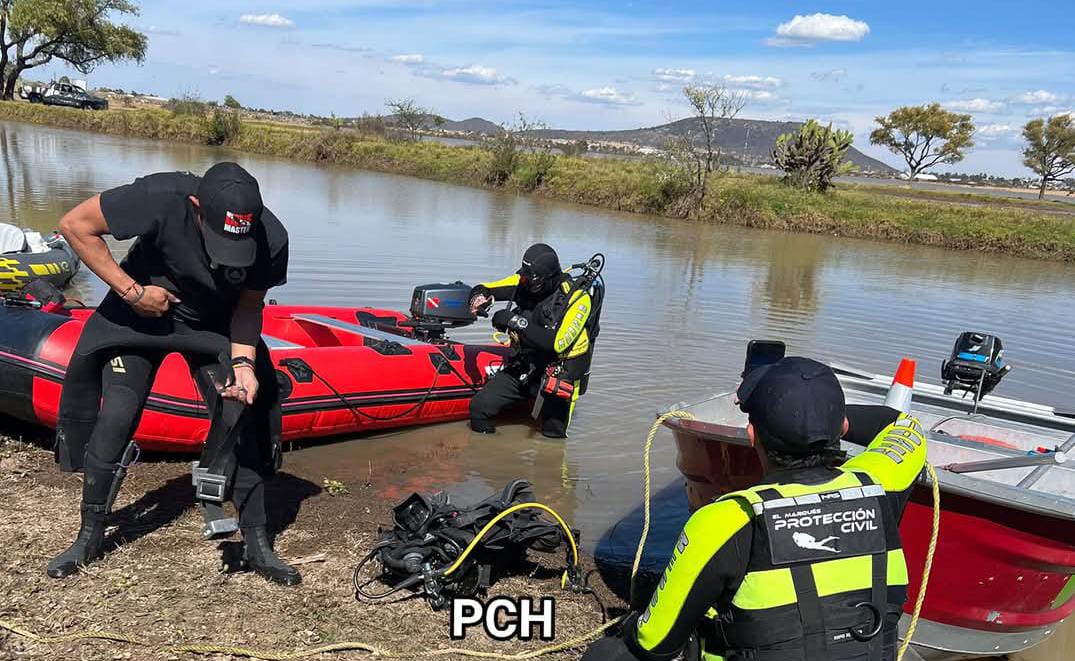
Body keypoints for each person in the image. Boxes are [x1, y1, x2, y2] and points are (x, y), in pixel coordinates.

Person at [47, 162, 300, 586]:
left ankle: (257, 543)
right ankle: (88, 536)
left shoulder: (271, 238)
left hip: (212, 323)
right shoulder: (160, 197)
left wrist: (243, 365)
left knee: (243, 416)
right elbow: (74, 225)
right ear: (196, 208)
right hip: (139, 313)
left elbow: (249, 307)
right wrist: (132, 292)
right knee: (117, 414)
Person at [584, 357, 928, 661]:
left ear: (752, 435)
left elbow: (654, 643)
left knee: (608, 654)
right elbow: (905, 426)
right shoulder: (882, 483)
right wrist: (819, 412)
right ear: (841, 427)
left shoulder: (725, 520)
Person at [467, 243, 598, 438]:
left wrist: (514, 321)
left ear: (549, 278)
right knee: (479, 408)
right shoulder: (525, 281)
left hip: (558, 374)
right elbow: (488, 288)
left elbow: (557, 343)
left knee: (553, 438)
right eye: (525, 278)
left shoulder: (578, 299)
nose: (526, 284)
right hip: (526, 366)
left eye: (532, 282)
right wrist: (479, 296)